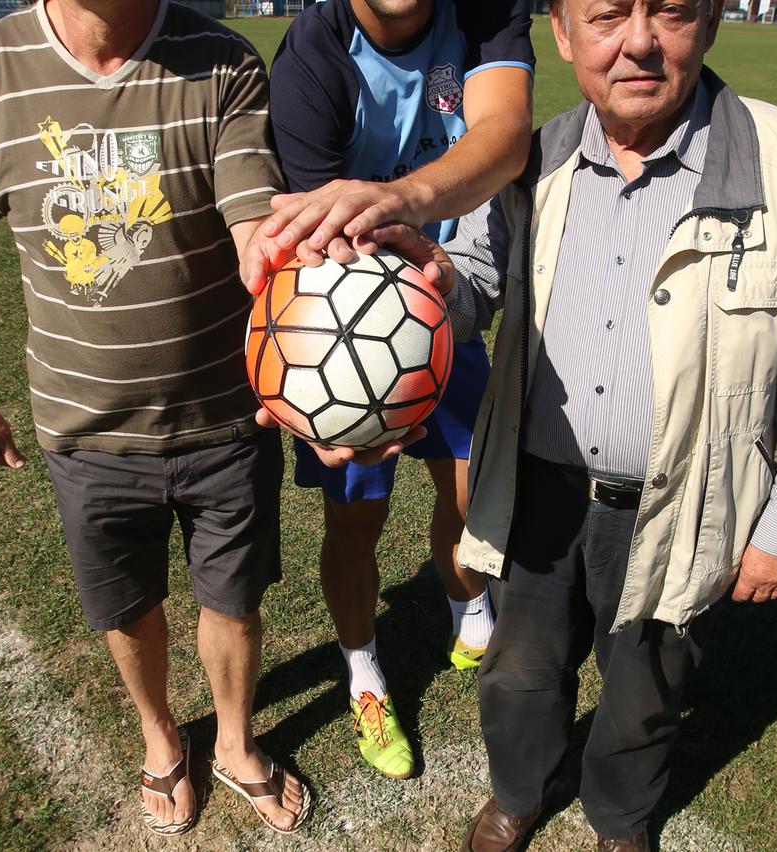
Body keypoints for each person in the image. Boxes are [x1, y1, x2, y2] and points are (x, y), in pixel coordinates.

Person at [363, 0, 777, 845]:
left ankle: (621, 816)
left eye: (669, 13)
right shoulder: (528, 160)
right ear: (563, 37)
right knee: (519, 676)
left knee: (646, 690)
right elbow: (475, 283)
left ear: (707, 23)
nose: (638, 42)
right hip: (536, 495)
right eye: (605, 17)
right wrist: (426, 295)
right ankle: (520, 791)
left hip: (682, 507)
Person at [0, 0, 309, 837]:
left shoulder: (221, 62)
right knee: (125, 604)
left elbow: (250, 218)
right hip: (85, 426)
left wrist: (289, 296)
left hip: (226, 416)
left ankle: (233, 743)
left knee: (232, 600)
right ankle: (161, 736)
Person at [260, 0, 534, 781]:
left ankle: (464, 604)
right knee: (356, 519)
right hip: (348, 338)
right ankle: (364, 675)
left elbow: (504, 135)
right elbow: (326, 245)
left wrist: (407, 201)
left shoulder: (484, 12)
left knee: (470, 487)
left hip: (452, 306)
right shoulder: (315, 52)